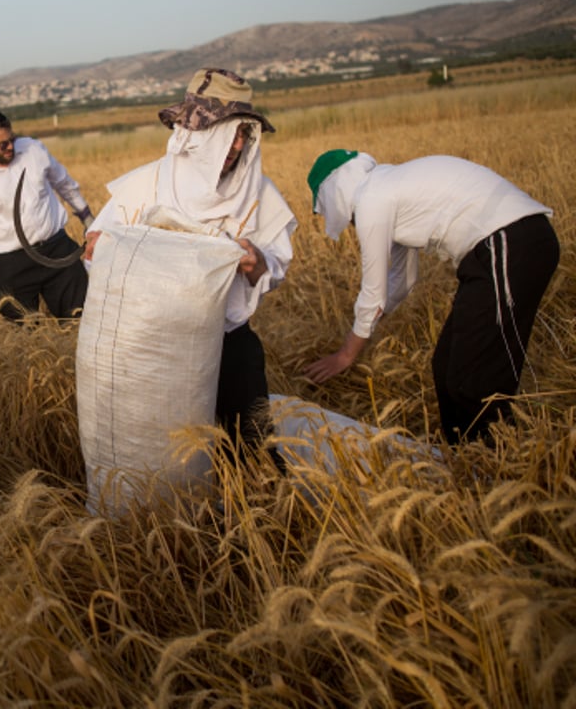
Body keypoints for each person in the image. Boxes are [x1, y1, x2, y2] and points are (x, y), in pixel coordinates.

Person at [83, 68, 297, 466]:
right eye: (226, 132)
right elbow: (97, 256)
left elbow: (276, 266)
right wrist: (99, 250)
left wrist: (256, 263)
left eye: (243, 133)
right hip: (155, 347)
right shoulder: (145, 185)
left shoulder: (258, 192)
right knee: (166, 456)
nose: (236, 145)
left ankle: (263, 519)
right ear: (197, 133)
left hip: (230, 344)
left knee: (254, 452)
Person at [302, 150, 559, 445]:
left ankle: (500, 462)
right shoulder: (385, 188)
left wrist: (346, 354)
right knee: (446, 365)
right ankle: (462, 458)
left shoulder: (372, 199)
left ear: (336, 194)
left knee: (476, 377)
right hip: (496, 251)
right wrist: (364, 327)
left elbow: (374, 292)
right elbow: (401, 282)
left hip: (509, 243)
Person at [0, 109, 94, 322]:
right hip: (13, 265)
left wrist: (89, 221)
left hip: (58, 251)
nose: (10, 148)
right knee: (23, 341)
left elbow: (64, 184)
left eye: (12, 140)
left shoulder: (34, 150)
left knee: (84, 321)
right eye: (2, 144)